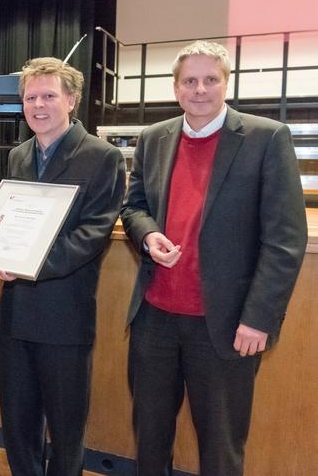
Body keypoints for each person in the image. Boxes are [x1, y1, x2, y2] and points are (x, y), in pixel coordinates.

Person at [120, 40, 308, 476]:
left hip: (224, 326)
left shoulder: (266, 138)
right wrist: (148, 237)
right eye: (189, 81)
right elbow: (134, 207)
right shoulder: (154, 138)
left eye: (210, 80)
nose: (199, 89)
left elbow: (286, 238)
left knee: (221, 449)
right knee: (149, 442)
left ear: (227, 83)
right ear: (176, 88)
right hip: (154, 321)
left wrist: (260, 317)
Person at [0, 57, 126, 476]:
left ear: (71, 99)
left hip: (64, 316)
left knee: (67, 432)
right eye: (30, 97)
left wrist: (27, 264)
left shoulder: (102, 157)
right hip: (15, 316)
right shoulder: (18, 156)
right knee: (18, 426)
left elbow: (92, 235)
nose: (38, 105)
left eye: (49, 95)